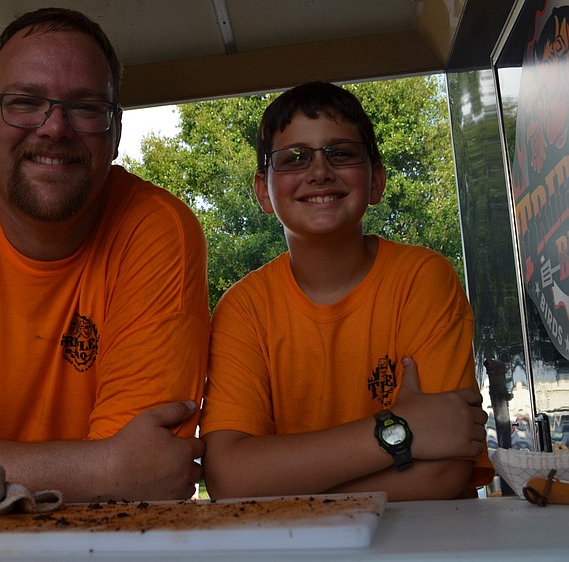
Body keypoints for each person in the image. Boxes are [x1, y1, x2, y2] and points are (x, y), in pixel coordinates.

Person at [0, 7, 210, 511]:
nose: (54, 128)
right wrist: (107, 467)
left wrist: (121, 471)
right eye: (25, 102)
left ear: (114, 132)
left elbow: (148, 478)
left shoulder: (159, 230)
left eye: (86, 107)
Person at [200, 81, 493, 501]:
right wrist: (398, 431)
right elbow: (229, 480)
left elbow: (443, 475)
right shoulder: (243, 309)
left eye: (341, 152)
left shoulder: (422, 278)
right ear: (263, 191)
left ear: (376, 181)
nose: (319, 171)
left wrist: (284, 483)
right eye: (294, 157)